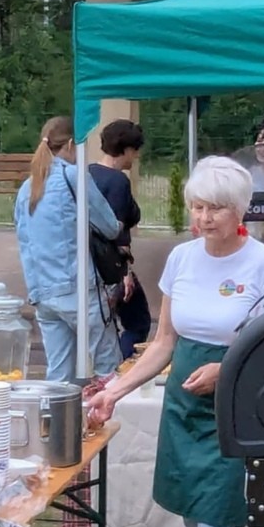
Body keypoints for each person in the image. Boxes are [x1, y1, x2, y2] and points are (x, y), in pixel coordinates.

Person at [86, 157, 264, 527]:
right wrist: (115, 390)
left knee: (216, 525)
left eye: (215, 207)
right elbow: (163, 342)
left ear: (239, 209)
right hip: (182, 401)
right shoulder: (181, 259)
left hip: (231, 402)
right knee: (193, 525)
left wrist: (224, 368)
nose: (204, 217)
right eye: (197, 206)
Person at [15, 116, 122, 383]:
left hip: (43, 294)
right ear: (72, 144)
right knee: (107, 369)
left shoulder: (27, 188)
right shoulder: (73, 176)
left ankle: (59, 424)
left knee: (59, 377)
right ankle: (112, 423)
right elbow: (109, 227)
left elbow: (24, 242)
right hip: (80, 291)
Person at [90, 119, 151, 358]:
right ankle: (120, 367)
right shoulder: (117, 181)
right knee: (138, 321)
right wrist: (125, 272)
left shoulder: (85, 174)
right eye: (135, 151)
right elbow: (116, 232)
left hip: (88, 266)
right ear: (126, 150)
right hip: (111, 268)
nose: (135, 157)